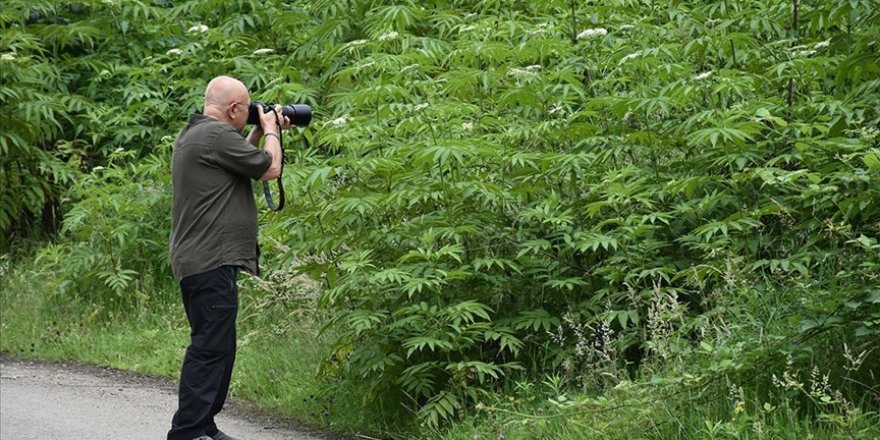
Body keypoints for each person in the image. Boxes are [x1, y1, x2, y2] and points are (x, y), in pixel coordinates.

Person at [167, 75, 290, 440]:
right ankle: (188, 431)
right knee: (209, 348)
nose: (252, 113)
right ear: (234, 108)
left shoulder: (197, 134)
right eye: (248, 108)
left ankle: (203, 425)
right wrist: (270, 130)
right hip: (211, 259)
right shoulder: (216, 136)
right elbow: (269, 168)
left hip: (200, 260)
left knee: (218, 346)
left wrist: (257, 132)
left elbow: (243, 160)